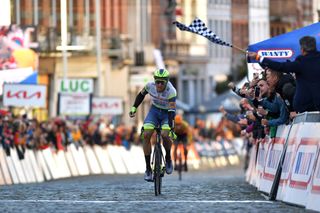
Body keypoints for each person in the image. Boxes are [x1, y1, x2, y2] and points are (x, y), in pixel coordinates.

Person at [248, 36, 320, 113]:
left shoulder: (301, 63)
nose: (267, 79)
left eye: (268, 76)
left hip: (306, 110)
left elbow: (280, 66)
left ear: (302, 49)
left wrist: (258, 57)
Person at [129, 68, 176, 182]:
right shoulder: (150, 86)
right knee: (146, 134)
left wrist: (171, 129)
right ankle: (148, 169)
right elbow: (140, 96)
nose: (159, 85)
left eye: (162, 83)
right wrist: (134, 107)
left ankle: (168, 158)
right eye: (157, 82)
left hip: (166, 113)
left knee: (165, 134)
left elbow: (171, 112)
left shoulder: (171, 91)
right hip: (154, 111)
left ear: (166, 82)